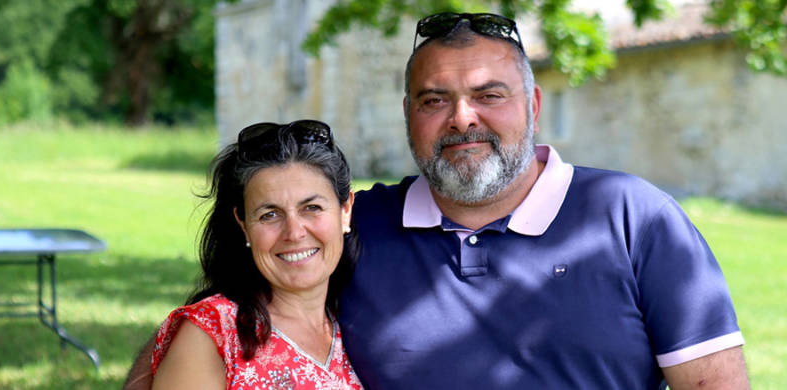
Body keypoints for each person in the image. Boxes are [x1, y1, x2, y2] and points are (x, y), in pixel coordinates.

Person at [125, 12, 749, 390]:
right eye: (434, 100)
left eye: (489, 94)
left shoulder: (634, 219)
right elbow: (216, 321)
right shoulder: (351, 225)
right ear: (408, 117)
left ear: (532, 107)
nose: (462, 119)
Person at [145, 120, 363, 389]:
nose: (294, 232)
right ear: (244, 225)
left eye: (312, 208)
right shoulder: (214, 334)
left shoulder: (360, 327)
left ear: (345, 211)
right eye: (269, 215)